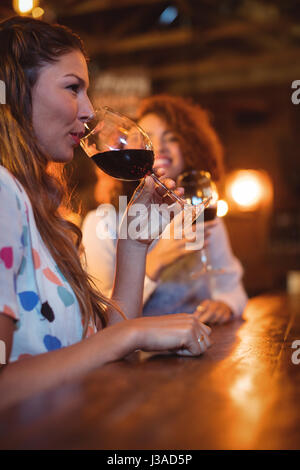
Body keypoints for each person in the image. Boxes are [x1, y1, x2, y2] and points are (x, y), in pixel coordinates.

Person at [0, 18, 211, 408]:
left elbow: (100, 354)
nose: (88, 110)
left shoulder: (37, 208)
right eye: (72, 88)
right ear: (16, 91)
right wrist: (129, 335)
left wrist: (132, 245)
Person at [82, 95, 248, 324]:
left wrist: (225, 305)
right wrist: (156, 260)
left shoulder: (202, 215)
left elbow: (233, 289)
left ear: (190, 148)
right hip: (137, 358)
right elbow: (100, 319)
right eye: (147, 138)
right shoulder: (104, 222)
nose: (160, 147)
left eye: (172, 139)